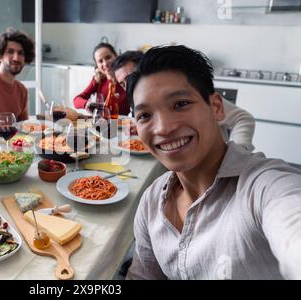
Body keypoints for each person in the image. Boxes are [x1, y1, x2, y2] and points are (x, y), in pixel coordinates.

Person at [126, 45, 301, 280]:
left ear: (217, 107)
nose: (163, 128)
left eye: (180, 104)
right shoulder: (151, 202)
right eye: (145, 115)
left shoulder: (262, 188)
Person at [112, 49, 256, 151]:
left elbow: (243, 118)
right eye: (124, 83)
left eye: (180, 104)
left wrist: (238, 153)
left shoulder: (186, 90)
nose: (163, 129)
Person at [73, 43, 130, 116]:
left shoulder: (126, 77)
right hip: (103, 124)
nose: (105, 63)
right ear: (97, 65)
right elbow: (76, 100)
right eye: (100, 61)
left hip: (126, 124)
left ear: (116, 56)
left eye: (108, 57)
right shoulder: (98, 80)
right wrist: (87, 104)